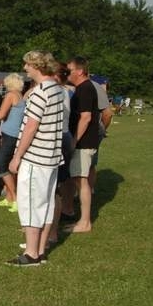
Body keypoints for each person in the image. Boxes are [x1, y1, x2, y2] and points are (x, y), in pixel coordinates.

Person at [7, 50, 64, 266]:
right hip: (50, 156)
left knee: (31, 204)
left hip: (36, 157)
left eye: (27, 65)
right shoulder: (57, 89)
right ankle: (40, 250)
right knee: (46, 202)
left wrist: (17, 156)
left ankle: (31, 254)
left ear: (36, 66)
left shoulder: (41, 92)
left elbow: (31, 126)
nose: (25, 69)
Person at [64, 56, 100, 233]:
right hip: (85, 141)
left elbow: (86, 117)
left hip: (84, 143)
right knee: (79, 179)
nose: (67, 73)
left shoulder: (85, 89)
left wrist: (74, 140)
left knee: (81, 180)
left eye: (69, 70)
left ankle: (85, 222)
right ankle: (82, 219)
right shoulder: (83, 88)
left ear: (79, 71)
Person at [0, 73, 26, 212]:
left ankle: (15, 198)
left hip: (10, 134)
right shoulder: (21, 96)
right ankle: (9, 198)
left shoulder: (10, 95)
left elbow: (1, 115)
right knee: (9, 166)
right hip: (15, 133)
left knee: (2, 166)